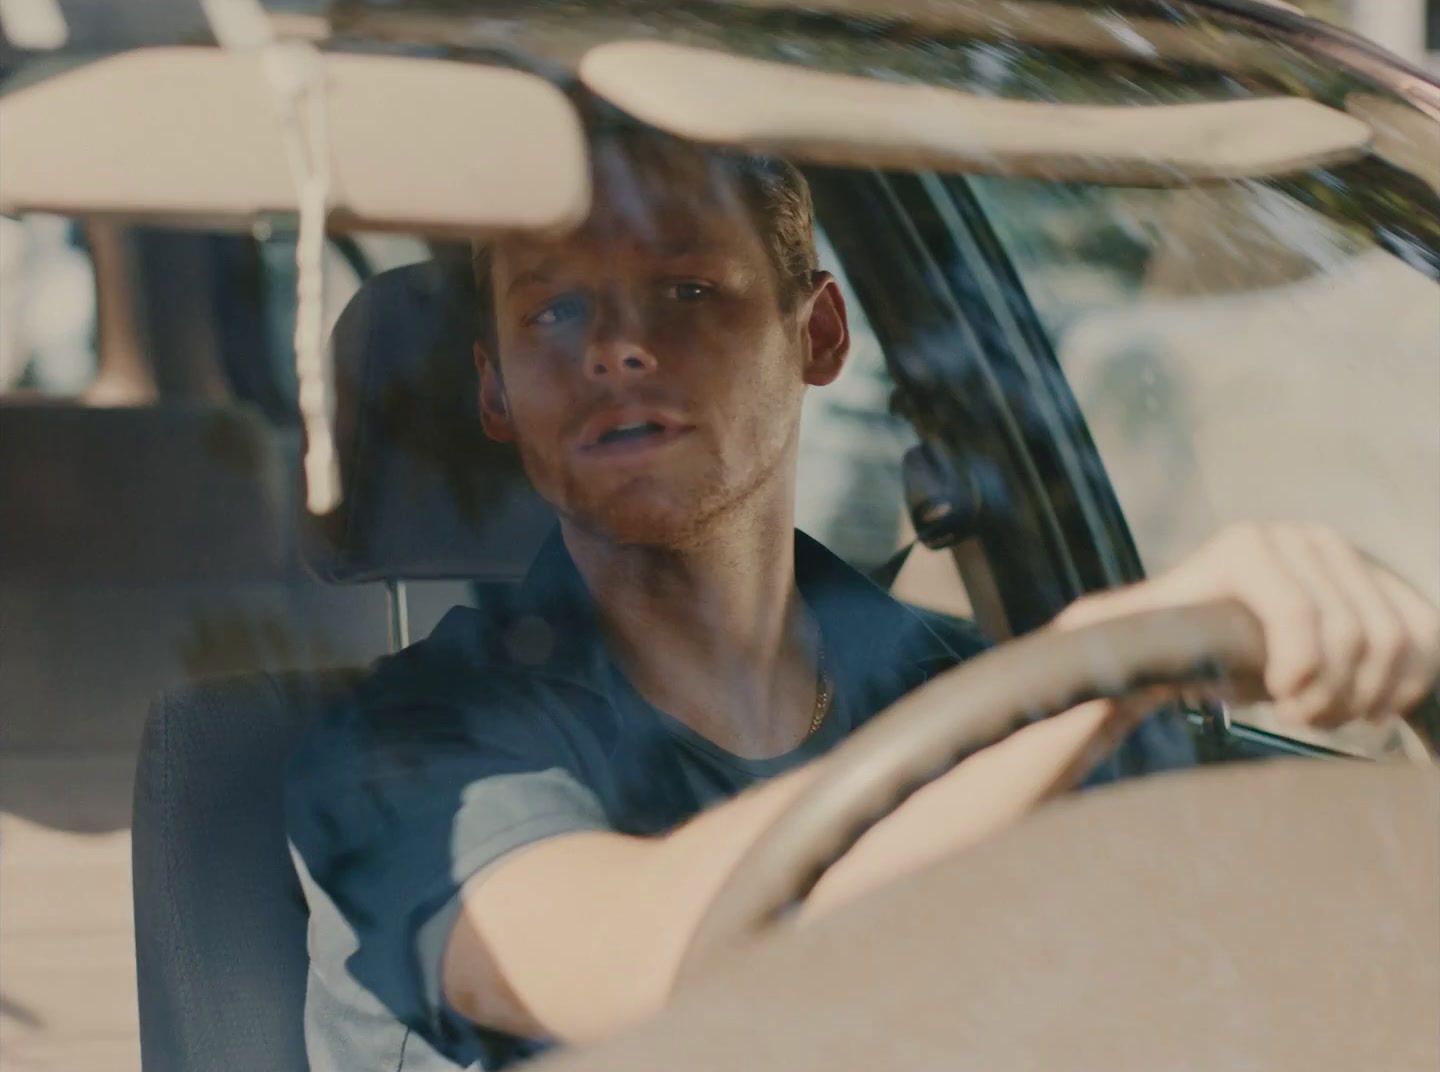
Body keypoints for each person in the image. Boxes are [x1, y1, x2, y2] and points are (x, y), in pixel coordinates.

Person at [285, 123, 1440, 1071]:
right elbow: (638, 960)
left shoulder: (958, 686)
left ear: (820, 335)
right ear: (494, 389)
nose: (619, 350)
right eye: (554, 312)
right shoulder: (403, 752)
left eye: (686, 288)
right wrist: (1101, 660)